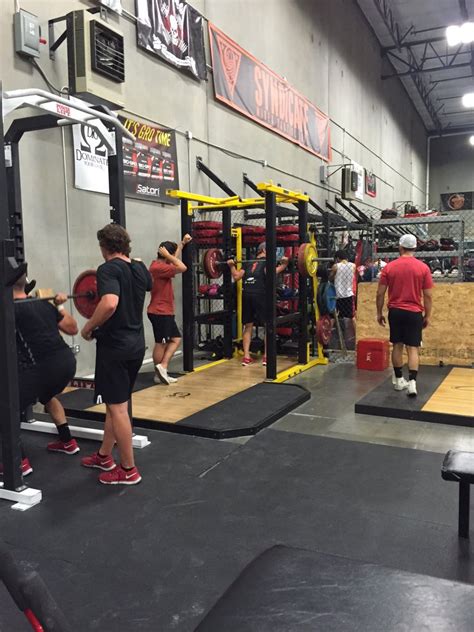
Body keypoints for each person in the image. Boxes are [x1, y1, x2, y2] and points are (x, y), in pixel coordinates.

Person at [80, 224, 152, 485]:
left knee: (118, 408)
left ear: (104, 247)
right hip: (136, 346)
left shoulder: (108, 268)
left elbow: (109, 302)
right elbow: (148, 285)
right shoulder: (138, 267)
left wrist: (89, 327)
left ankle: (128, 469)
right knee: (115, 404)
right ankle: (104, 456)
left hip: (116, 347)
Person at [13, 273, 79, 474]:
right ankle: (67, 441)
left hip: (40, 370)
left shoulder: (10, 310)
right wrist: (59, 305)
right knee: (47, 395)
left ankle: (17, 463)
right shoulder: (43, 304)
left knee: (6, 410)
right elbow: (73, 328)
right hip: (67, 364)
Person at [376, 234, 433, 397]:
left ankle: (399, 380)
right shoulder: (423, 268)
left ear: (400, 247)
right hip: (414, 312)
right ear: (415, 248)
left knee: (398, 345)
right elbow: (428, 296)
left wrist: (379, 313)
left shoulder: (389, 267)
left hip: (396, 312)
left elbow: (380, 294)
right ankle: (413, 383)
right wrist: (427, 315)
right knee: (412, 348)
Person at [227, 242, 288, 367]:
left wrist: (231, 266)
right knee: (268, 326)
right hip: (261, 295)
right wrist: (285, 265)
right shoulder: (267, 262)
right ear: (264, 250)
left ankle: (246, 357)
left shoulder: (247, 262)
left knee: (248, 326)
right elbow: (271, 273)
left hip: (247, 295)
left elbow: (236, 276)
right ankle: (266, 357)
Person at [147, 235, 192, 385]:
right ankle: (160, 370)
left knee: (176, 339)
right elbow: (182, 267)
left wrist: (181, 244)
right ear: (166, 255)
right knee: (161, 342)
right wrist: (169, 255)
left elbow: (175, 261)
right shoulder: (158, 267)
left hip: (164, 311)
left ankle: (162, 368)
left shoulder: (161, 266)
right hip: (160, 311)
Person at [329, 250, 357, 330]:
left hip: (337, 295)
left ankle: (327, 339)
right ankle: (357, 337)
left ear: (337, 258)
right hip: (348, 295)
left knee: (333, 317)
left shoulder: (336, 266)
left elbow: (330, 278)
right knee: (352, 317)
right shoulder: (353, 265)